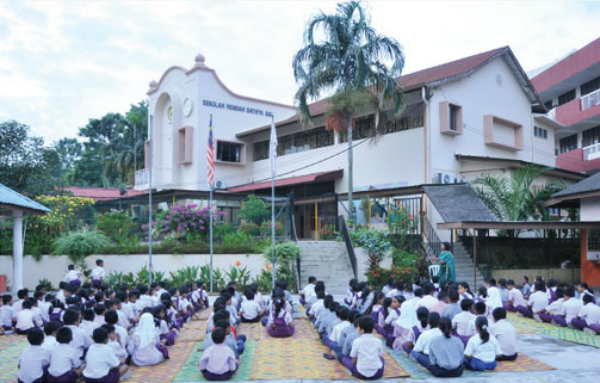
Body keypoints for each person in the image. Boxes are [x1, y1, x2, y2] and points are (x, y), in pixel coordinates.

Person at [343, 316, 384, 380]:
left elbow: (354, 360)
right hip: (377, 374)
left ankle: (352, 370)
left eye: (358, 327)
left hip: (360, 374)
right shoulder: (378, 341)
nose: (357, 328)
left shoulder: (357, 341)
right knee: (382, 360)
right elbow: (379, 356)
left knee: (345, 360)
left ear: (362, 330)